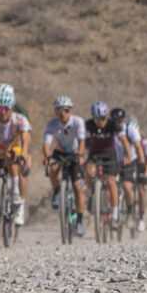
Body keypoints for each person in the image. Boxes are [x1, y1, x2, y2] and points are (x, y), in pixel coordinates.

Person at [0, 84, 33, 226]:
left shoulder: (19, 116)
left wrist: (24, 155)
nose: (2, 112)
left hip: (14, 146)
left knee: (14, 160)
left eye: (6, 109)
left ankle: (17, 197)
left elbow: (25, 138)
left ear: (12, 107)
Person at [44, 96, 87, 229]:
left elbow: (82, 140)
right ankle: (57, 191)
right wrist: (47, 157)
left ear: (71, 111)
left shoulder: (78, 122)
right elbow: (46, 143)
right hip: (60, 152)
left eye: (66, 110)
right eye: (59, 111)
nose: (63, 114)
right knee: (52, 168)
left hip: (75, 153)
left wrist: (80, 154)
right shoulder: (52, 124)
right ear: (55, 112)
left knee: (78, 187)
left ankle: (79, 221)